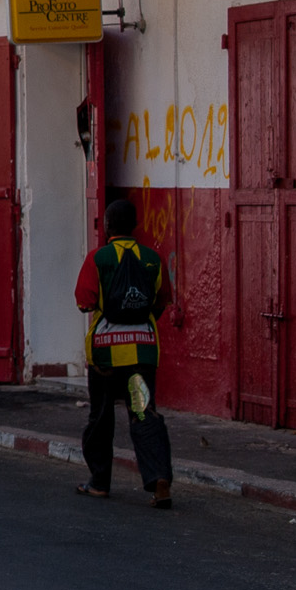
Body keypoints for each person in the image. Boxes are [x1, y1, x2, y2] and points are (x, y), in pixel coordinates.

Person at [75, 197, 175, 509]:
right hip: (142, 354)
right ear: (134, 226)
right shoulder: (153, 259)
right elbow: (162, 300)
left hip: (105, 355)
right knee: (144, 413)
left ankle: (100, 482)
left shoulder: (98, 258)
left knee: (101, 416)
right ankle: (159, 482)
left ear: (106, 227)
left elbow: (84, 302)